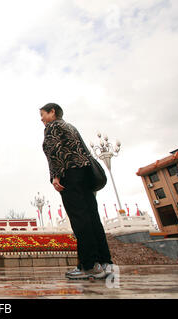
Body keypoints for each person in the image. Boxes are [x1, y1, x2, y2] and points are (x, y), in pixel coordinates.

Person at [40, 103, 114, 280]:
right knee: (92, 217)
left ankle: (89, 265)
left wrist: (55, 176)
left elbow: (54, 151)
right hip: (86, 175)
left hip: (70, 174)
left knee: (80, 220)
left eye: (43, 114)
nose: (42, 119)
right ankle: (105, 262)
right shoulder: (70, 126)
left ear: (53, 112)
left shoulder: (53, 126)